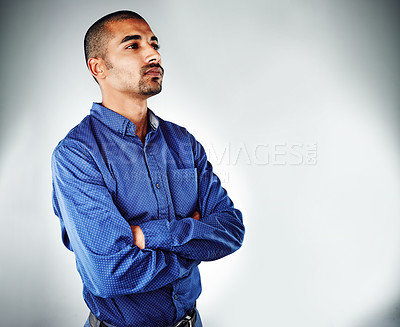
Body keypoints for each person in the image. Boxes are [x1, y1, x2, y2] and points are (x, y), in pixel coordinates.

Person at [51, 10, 245, 327]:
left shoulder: (183, 143)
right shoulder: (77, 154)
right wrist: (195, 242)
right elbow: (110, 275)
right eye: (133, 45)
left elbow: (231, 230)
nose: (153, 53)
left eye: (153, 44)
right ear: (98, 67)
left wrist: (148, 235)